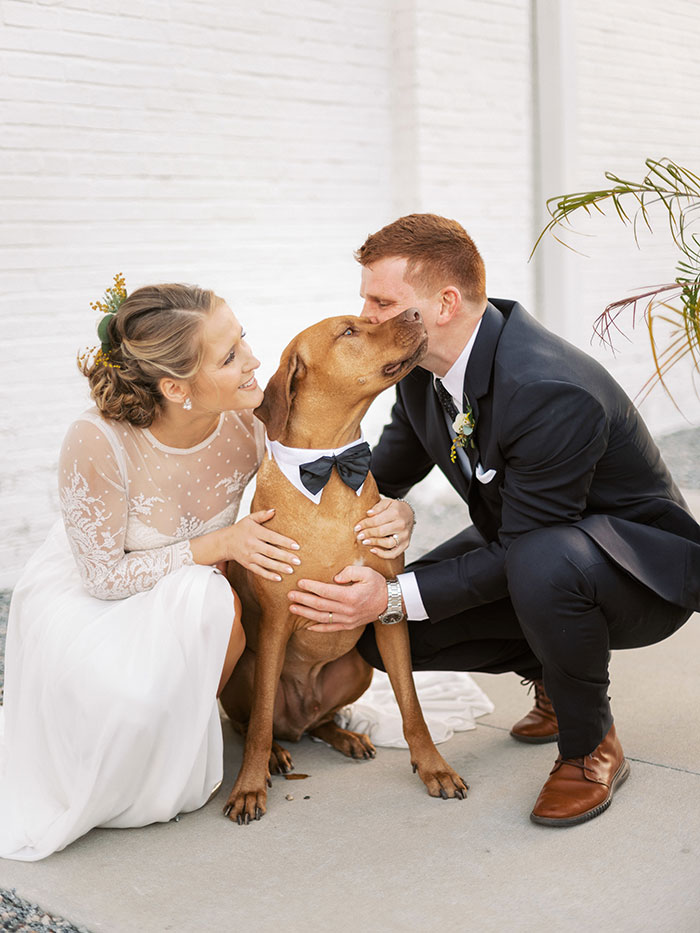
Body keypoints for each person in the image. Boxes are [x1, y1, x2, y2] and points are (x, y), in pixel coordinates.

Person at [287, 213, 700, 827]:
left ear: (446, 302)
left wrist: (391, 593)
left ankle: (590, 744)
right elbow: (382, 475)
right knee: (383, 635)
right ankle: (556, 683)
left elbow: (528, 544)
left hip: (635, 572)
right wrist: (311, 516)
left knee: (527, 566)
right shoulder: (419, 372)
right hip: (532, 548)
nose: (370, 315)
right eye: (366, 300)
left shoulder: (548, 387)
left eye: (383, 300)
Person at [0, 280, 302, 861]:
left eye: (244, 341)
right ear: (174, 387)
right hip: (93, 598)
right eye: (230, 356)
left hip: (184, 596)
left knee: (211, 599)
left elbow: (323, 474)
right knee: (131, 706)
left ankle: (179, 734)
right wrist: (214, 545)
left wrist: (393, 510)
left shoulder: (250, 422)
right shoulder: (97, 440)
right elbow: (102, 578)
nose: (254, 362)